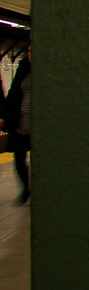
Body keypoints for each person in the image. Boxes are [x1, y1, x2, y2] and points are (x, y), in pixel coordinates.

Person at [0, 42, 31, 205]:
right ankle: (26, 188)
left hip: (39, 124)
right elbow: (13, 92)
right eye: (29, 50)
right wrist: (4, 114)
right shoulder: (23, 69)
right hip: (21, 121)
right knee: (19, 159)